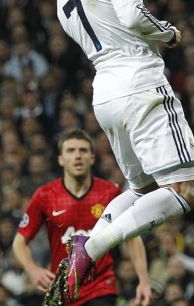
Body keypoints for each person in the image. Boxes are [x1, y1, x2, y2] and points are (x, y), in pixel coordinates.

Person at [52, 0, 194, 302]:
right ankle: (94, 248)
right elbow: (133, 19)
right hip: (139, 81)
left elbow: (104, 13)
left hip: (105, 91)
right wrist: (169, 33)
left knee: (140, 188)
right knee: (185, 192)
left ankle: (84, 246)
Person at [12, 129, 152, 306]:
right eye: (71, 151)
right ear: (61, 159)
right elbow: (19, 242)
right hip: (62, 289)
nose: (77, 156)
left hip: (101, 287)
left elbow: (133, 238)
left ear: (92, 158)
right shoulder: (45, 195)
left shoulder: (110, 193)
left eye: (83, 150)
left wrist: (143, 280)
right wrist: (32, 269)